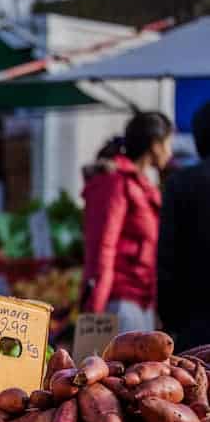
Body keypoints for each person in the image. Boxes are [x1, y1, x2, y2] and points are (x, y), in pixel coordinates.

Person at [81, 111, 173, 333]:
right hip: (119, 302)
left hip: (143, 302)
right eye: (168, 143)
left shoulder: (143, 186)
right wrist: (94, 311)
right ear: (155, 145)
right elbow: (103, 247)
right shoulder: (116, 183)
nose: (170, 151)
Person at [158, 101, 210, 350]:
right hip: (193, 315)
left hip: (193, 319)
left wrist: (170, 320)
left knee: (196, 384)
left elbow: (167, 256)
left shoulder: (180, 183)